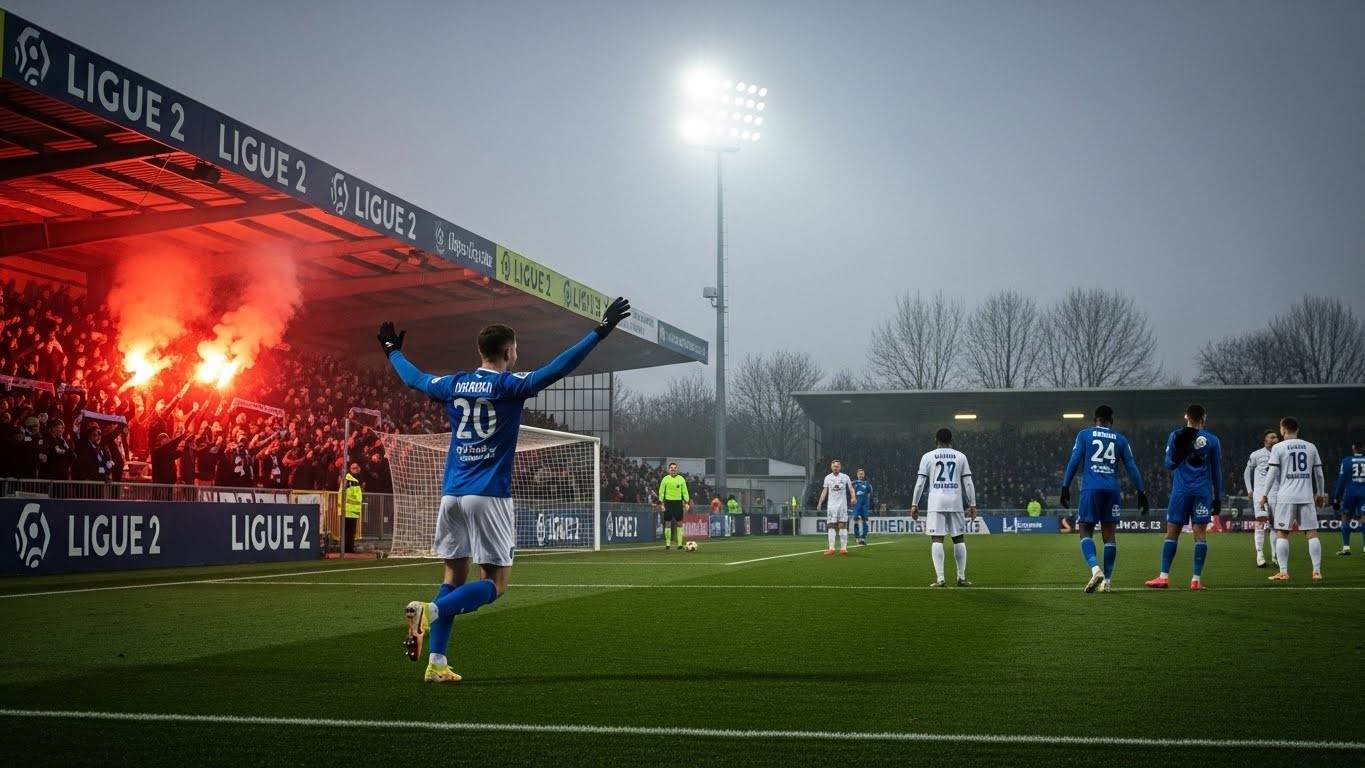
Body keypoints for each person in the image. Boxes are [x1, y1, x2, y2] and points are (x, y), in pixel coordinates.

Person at [381, 296, 630, 683]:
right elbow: (557, 368)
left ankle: (437, 664)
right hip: (488, 494)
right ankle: (430, 613)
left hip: (451, 495)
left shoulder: (455, 383)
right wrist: (599, 332)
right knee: (495, 584)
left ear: (480, 350)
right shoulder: (509, 385)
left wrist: (392, 350)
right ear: (509, 351)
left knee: (453, 576)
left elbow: (414, 378)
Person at [1060, 405, 1149, 593]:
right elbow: (1131, 466)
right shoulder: (1121, 439)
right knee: (1109, 535)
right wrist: (1141, 492)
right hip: (1112, 490)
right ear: (1111, 420)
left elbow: (1074, 461)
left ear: (1096, 419)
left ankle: (1095, 569)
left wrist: (1065, 486)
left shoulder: (1084, 435)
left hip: (1091, 488)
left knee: (1085, 528)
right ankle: (1107, 582)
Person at [1146, 404, 1222, 591]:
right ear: (1204, 418)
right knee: (1200, 535)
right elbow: (1217, 472)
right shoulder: (1213, 440)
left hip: (1181, 492)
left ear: (1186, 416)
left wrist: (1183, 450)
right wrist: (1217, 497)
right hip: (1202, 493)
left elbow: (1169, 465)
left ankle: (1163, 577)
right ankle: (1196, 580)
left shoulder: (1175, 435)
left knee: (1172, 533)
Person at [910, 428, 977, 586]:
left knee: (937, 539)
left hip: (936, 502)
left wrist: (914, 504)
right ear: (951, 440)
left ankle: (940, 579)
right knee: (958, 538)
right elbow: (968, 482)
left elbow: (920, 483)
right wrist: (972, 504)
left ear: (936, 439)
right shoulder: (961, 456)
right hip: (955, 501)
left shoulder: (928, 456)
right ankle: (961, 577)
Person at [1261, 417, 1325, 581]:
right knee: (1312, 534)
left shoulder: (1278, 447)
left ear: (1282, 429)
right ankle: (1316, 572)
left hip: (1286, 497)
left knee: (1282, 533)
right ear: (1298, 429)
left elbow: (1272, 473)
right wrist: (1320, 494)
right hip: (1306, 495)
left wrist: (1264, 494)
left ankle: (1283, 572)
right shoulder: (1311, 447)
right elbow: (1318, 474)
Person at [1244, 429, 1281, 567]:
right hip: (1260, 493)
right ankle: (1260, 554)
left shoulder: (1282, 453)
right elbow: (1247, 472)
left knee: (1274, 525)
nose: (1275, 438)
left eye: (1276, 436)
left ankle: (1274, 555)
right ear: (1265, 440)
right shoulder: (1256, 454)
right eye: (1271, 437)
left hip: (1277, 493)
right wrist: (1249, 490)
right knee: (1260, 522)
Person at [1332, 442, 1365, 555]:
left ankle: (1346, 547)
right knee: (1364, 519)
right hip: (1364, 493)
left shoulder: (1346, 461)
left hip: (1350, 493)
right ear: (1362, 449)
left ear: (1353, 448)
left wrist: (1336, 498)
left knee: (1345, 518)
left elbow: (1341, 481)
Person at [817, 458, 855, 555]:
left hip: (842, 506)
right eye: (834, 466)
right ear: (831, 467)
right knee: (831, 526)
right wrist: (820, 503)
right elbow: (824, 491)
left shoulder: (845, 477)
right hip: (831, 506)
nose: (836, 467)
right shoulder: (828, 478)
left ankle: (843, 548)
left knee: (842, 525)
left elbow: (851, 488)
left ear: (840, 467)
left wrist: (853, 497)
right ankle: (831, 549)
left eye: (837, 466)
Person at [657, 462, 691, 550]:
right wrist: (661, 503)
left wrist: (687, 502)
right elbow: (661, 492)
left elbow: (685, 491)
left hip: (678, 503)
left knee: (679, 523)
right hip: (668, 503)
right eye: (671, 468)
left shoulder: (681, 479)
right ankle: (668, 543)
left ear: (677, 469)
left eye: (674, 468)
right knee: (667, 523)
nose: (673, 469)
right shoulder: (665, 479)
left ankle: (679, 543)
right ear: (669, 469)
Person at [343, 462, 363, 553]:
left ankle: (345, 548)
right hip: (351, 509)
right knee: (350, 531)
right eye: (355, 468)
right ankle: (349, 548)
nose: (357, 470)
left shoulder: (347, 478)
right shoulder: (354, 480)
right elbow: (356, 495)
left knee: (346, 530)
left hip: (346, 508)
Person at [851, 468, 873, 545]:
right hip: (856, 505)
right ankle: (857, 538)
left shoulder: (867, 484)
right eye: (859, 473)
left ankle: (863, 538)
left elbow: (870, 494)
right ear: (857, 475)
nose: (860, 475)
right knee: (856, 520)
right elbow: (848, 491)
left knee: (864, 521)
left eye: (862, 473)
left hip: (864, 505)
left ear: (864, 475)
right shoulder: (853, 483)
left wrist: (867, 504)